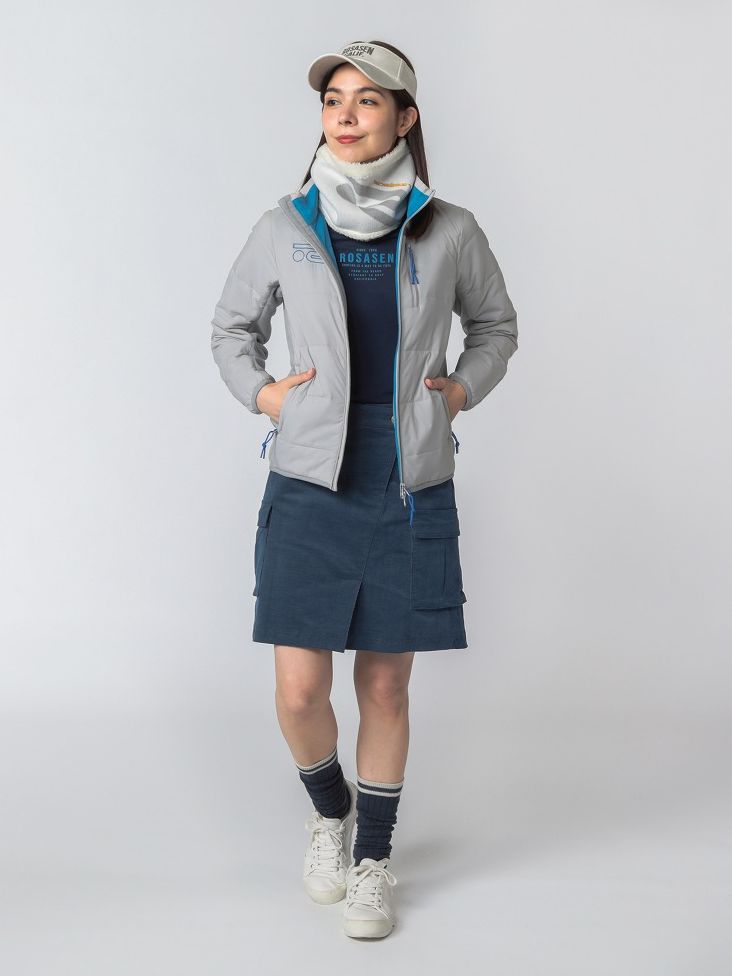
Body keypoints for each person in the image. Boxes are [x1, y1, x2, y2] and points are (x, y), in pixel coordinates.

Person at [210, 39, 518, 939]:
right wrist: (265, 394)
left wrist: (459, 390)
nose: (345, 116)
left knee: (384, 688)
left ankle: (374, 860)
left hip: (408, 475)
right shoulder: (286, 224)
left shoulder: (449, 228)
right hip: (310, 474)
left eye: (368, 100)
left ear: (405, 118)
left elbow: (495, 326)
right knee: (300, 692)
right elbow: (231, 329)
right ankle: (331, 815)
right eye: (333, 100)